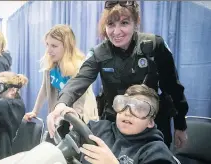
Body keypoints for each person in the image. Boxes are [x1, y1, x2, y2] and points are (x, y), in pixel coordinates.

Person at [47, 1, 189, 148]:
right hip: (115, 126)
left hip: (151, 127)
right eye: (110, 25)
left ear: (136, 23)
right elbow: (80, 80)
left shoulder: (154, 45)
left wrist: (180, 125)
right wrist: (61, 105)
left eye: (124, 23)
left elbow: (173, 88)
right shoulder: (99, 53)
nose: (116, 32)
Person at [61, 84, 178, 164]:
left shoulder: (157, 153)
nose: (127, 113)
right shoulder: (96, 128)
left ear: (150, 122)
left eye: (140, 108)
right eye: (123, 104)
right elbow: (70, 143)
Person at [23, 24, 98, 124]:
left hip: (82, 118)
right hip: (62, 117)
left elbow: (80, 101)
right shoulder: (51, 66)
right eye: (47, 45)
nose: (49, 50)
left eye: (54, 46)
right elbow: (44, 89)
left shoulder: (80, 68)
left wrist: (75, 121)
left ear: (67, 47)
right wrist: (35, 111)